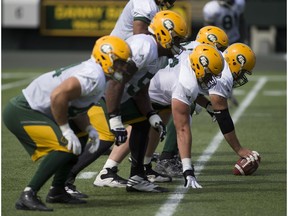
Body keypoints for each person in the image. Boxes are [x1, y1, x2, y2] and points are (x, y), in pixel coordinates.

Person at [2, 35, 132, 211]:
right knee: (66, 145)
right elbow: (58, 96)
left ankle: (57, 190)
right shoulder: (93, 75)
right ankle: (28, 194)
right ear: (105, 58)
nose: (123, 68)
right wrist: (65, 129)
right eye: (119, 62)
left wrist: (88, 128)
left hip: (38, 109)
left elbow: (75, 107)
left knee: (81, 136)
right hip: (23, 110)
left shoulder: (97, 74)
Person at [66, 10, 188, 193]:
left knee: (142, 122)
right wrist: (114, 117)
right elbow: (116, 80)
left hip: (116, 92)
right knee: (106, 137)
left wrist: (150, 113)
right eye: (177, 38)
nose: (178, 44)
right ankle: (65, 180)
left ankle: (137, 178)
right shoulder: (144, 46)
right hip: (99, 90)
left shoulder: (160, 56)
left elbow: (140, 88)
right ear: (164, 34)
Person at [155, 42, 261, 177]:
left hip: (162, 74)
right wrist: (239, 149)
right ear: (236, 63)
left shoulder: (217, 60)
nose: (241, 77)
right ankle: (167, 157)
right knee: (183, 109)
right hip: (160, 82)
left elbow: (194, 89)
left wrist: (207, 105)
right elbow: (223, 117)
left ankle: (149, 157)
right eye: (243, 72)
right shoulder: (224, 76)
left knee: (179, 107)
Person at [203, 0, 247, 106]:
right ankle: (215, 94)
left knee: (233, 71)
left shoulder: (239, 4)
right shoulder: (212, 8)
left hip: (234, 41)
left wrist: (243, 38)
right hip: (218, 43)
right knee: (215, 70)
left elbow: (241, 21)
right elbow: (208, 29)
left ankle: (228, 93)